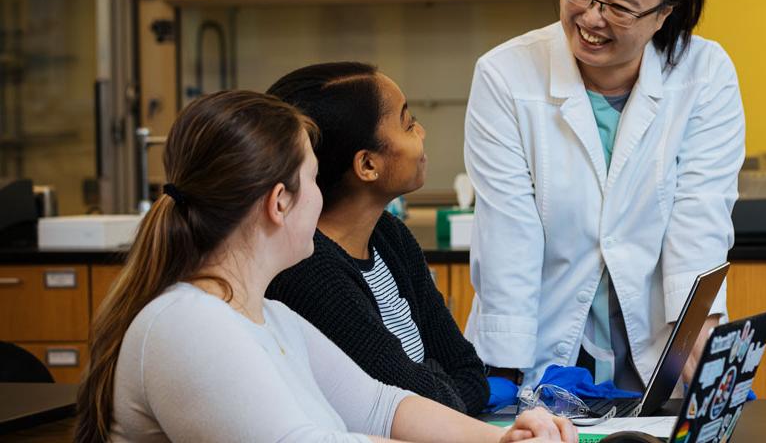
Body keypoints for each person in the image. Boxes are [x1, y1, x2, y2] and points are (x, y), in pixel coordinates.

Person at [74, 90, 575, 443]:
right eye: (313, 181)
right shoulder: (187, 324)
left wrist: (502, 440)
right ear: (279, 203)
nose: (322, 199)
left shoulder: (268, 315)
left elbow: (382, 406)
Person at [463, 0, 745, 390]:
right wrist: (503, 372)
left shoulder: (705, 74)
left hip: (657, 351)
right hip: (540, 350)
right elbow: (509, 233)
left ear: (664, 14)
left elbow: (700, 214)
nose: (591, 18)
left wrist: (700, 336)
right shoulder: (506, 75)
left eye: (619, 7)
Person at [266, 62, 489, 416]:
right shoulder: (309, 272)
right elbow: (405, 403)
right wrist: (437, 384)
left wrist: (435, 387)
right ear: (367, 165)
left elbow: (471, 374)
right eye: (408, 122)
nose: (422, 131)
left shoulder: (389, 235)